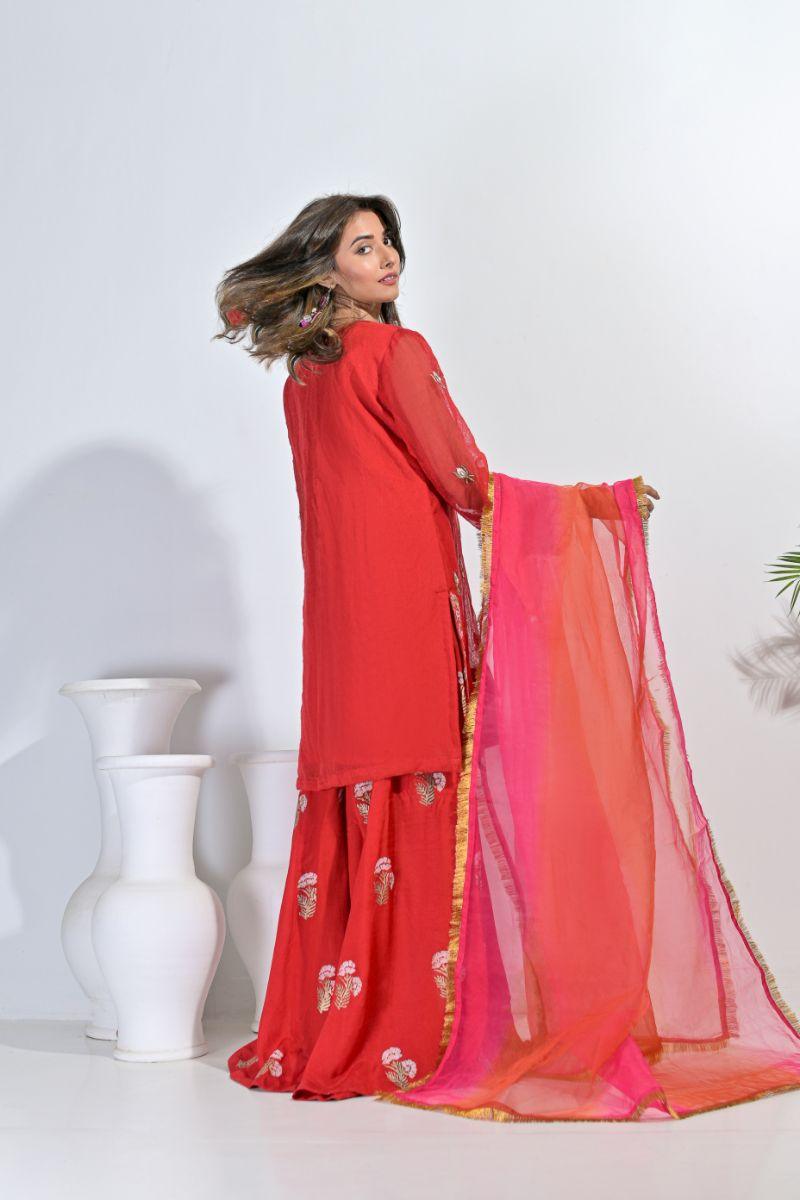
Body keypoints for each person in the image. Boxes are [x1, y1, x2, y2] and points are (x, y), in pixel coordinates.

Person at [214, 194, 660, 1102]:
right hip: (407, 614)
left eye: (389, 243)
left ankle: (346, 1027)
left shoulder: (305, 378)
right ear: (324, 266)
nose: (389, 259)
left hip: (341, 627)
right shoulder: (393, 352)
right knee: (424, 776)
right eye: (364, 246)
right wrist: (592, 508)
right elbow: (467, 483)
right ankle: (421, 1033)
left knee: (361, 782)